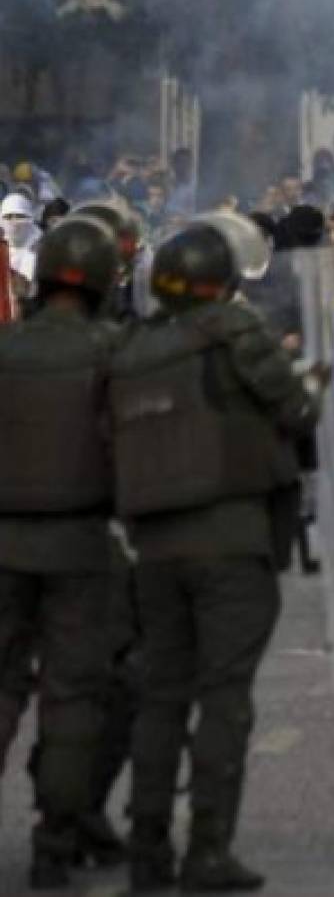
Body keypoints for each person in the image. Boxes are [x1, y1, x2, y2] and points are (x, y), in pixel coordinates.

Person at [108, 214, 325, 892]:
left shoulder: (132, 347)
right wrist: (312, 382)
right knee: (224, 701)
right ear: (221, 281)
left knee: (161, 698)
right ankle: (205, 849)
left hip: (152, 546)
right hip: (232, 538)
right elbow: (296, 410)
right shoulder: (235, 330)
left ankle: (147, 847)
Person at [0, 216, 124, 889]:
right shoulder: (115, 352)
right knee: (73, 697)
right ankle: (55, 841)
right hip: (80, 545)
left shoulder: (6, 347)